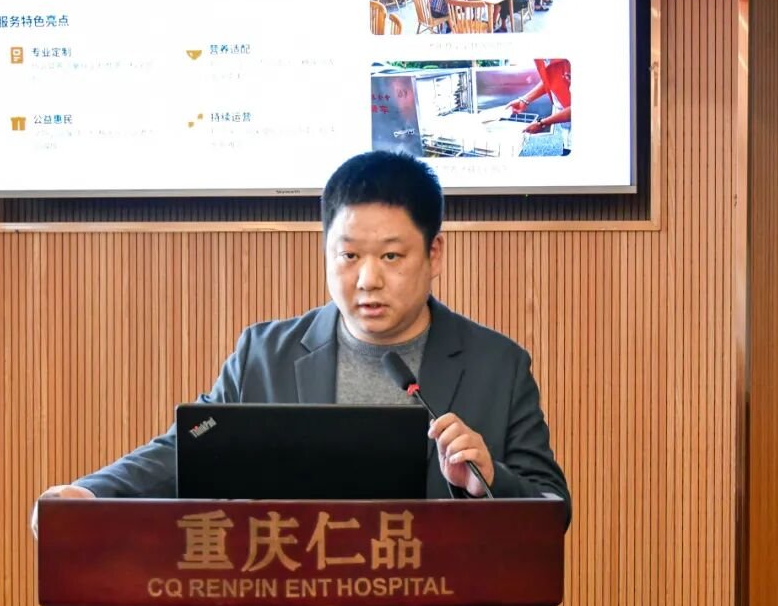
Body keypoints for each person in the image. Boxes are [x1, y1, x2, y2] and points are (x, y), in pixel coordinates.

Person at [31, 152, 571, 534]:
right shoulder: (266, 355)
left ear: (435, 255)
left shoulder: (497, 365)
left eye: (391, 256)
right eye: (348, 255)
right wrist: (91, 493)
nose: (367, 280)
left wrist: (488, 480)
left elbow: (553, 508)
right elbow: (188, 447)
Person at [509, 58, 572, 153]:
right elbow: (552, 80)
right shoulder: (541, 59)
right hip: (565, 122)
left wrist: (542, 123)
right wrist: (525, 100)